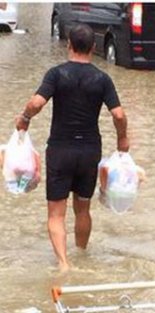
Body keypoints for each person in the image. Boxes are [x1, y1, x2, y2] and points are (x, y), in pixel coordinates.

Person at [15, 23, 129, 272]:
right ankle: (81, 254)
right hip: (89, 151)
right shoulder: (102, 78)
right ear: (94, 47)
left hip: (60, 150)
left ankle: (64, 264)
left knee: (56, 213)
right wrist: (122, 141)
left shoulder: (56, 74)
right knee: (83, 208)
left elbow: (36, 103)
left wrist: (24, 119)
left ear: (69, 44)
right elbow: (119, 115)